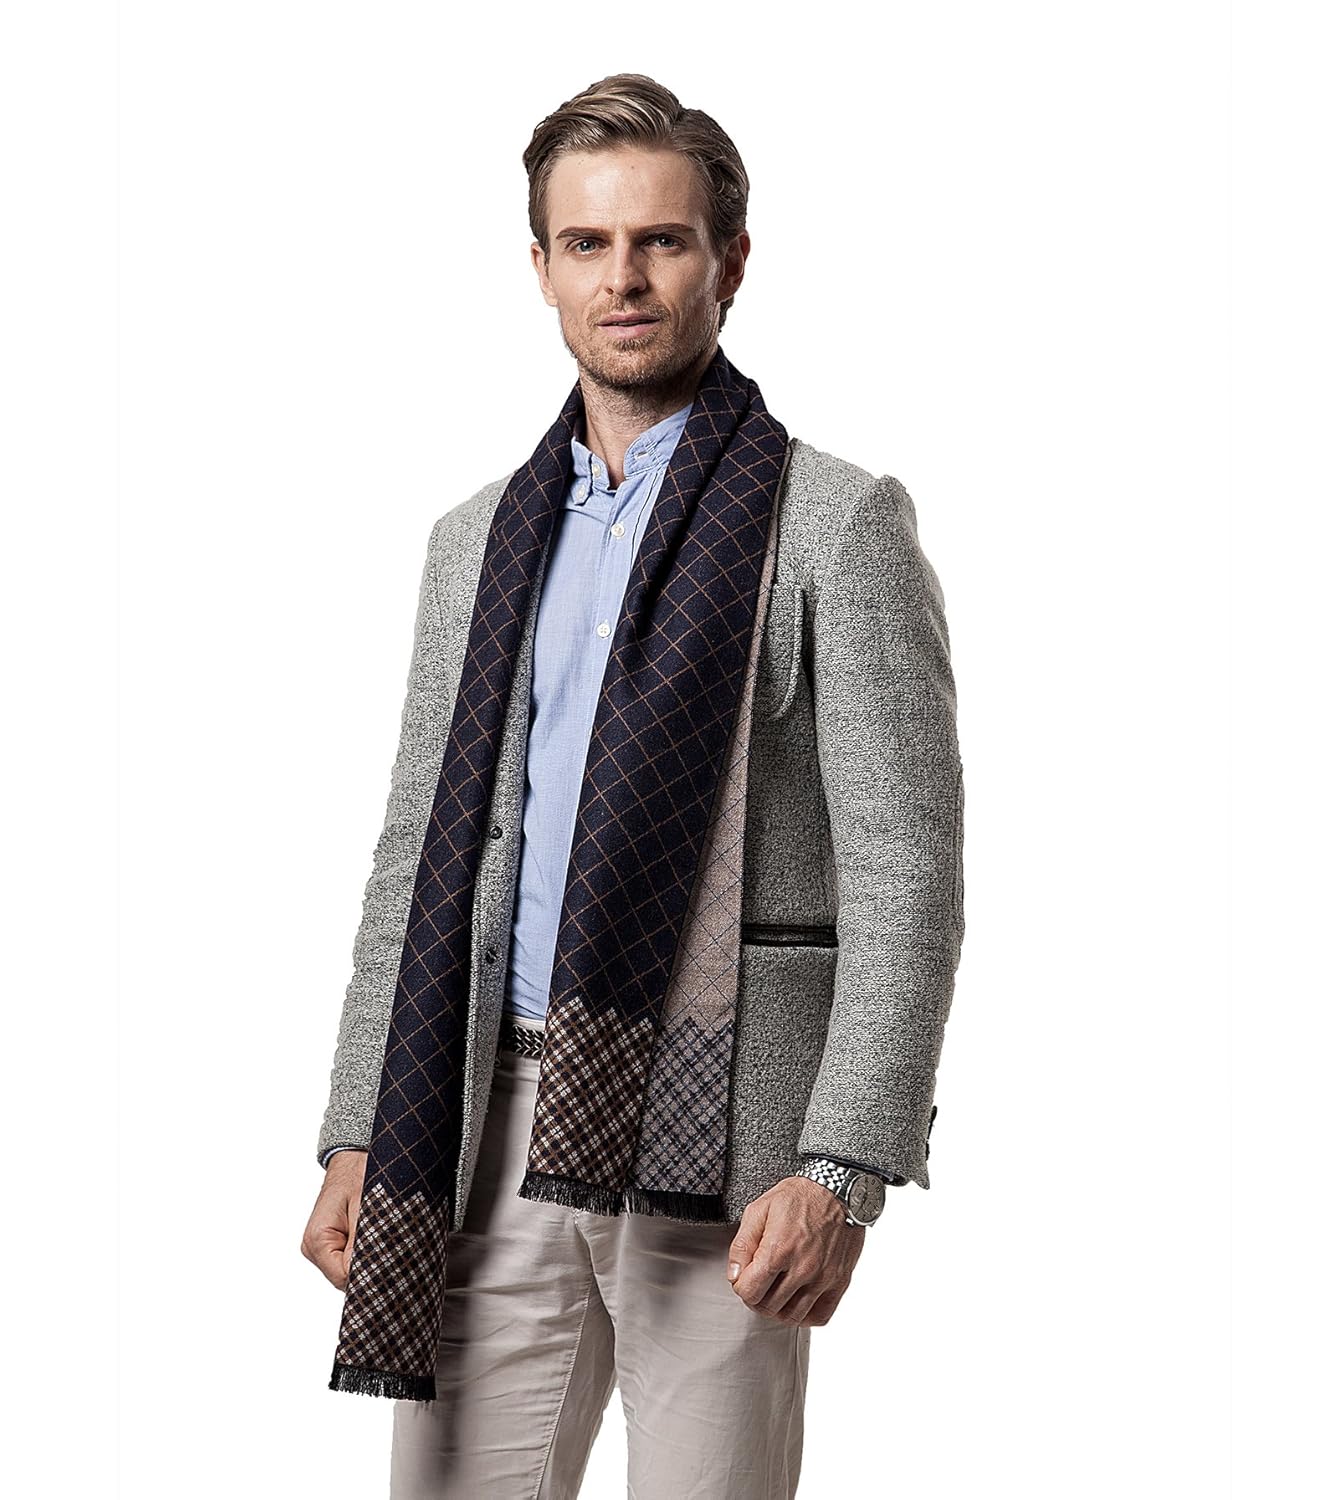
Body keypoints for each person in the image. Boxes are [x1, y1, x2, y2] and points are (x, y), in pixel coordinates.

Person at [300, 71, 966, 1500]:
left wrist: (839, 1166)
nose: (625, 278)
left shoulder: (835, 526)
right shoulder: (476, 539)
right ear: (541, 267)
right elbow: (415, 853)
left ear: (731, 259)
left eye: (662, 239)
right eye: (588, 244)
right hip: (479, 1111)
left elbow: (908, 877)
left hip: (721, 1131)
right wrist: (360, 1122)